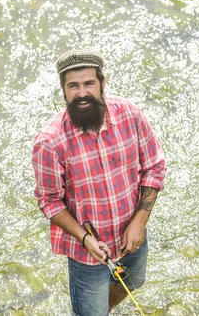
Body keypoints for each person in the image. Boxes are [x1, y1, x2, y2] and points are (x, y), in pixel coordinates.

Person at [32, 48, 166, 315]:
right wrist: (84, 239)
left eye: (89, 83)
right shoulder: (49, 142)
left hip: (133, 235)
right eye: (73, 86)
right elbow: (49, 201)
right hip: (88, 252)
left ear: (102, 84)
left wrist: (140, 222)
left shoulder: (131, 115)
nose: (82, 93)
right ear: (63, 90)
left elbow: (154, 166)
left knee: (134, 281)